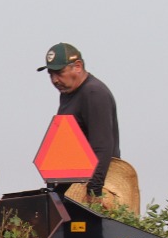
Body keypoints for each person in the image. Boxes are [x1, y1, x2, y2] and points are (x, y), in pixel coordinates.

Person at [39, 42, 119, 197]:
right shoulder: (68, 93)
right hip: (71, 183)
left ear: (78, 66)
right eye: (51, 74)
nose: (55, 80)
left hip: (93, 184)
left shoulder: (93, 93)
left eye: (59, 72)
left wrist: (94, 191)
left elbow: (102, 146)